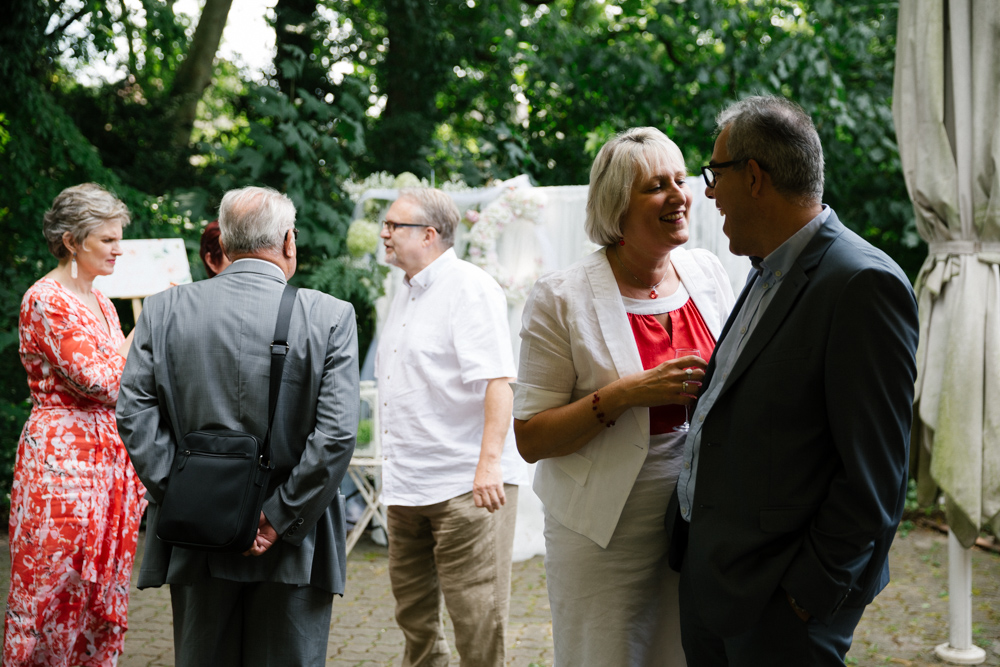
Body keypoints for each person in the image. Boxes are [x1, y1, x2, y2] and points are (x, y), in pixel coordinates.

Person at [666, 95, 919, 665]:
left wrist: (808, 596)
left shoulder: (861, 284)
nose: (707, 193)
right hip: (716, 586)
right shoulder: (763, 269)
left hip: (782, 611)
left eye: (715, 175)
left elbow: (876, 479)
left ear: (754, 177)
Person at [512, 127, 736, 666]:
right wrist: (625, 394)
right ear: (616, 204)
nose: (680, 195)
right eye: (656, 186)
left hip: (696, 516)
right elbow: (530, 437)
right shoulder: (561, 297)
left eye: (681, 179)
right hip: (601, 528)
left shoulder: (705, 272)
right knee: (607, 653)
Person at [116, 186, 359, 666]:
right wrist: (277, 516)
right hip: (295, 543)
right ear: (289, 242)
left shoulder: (163, 311)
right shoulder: (330, 316)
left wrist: (193, 500)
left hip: (196, 537)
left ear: (223, 243)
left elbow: (133, 412)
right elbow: (336, 435)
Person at [375, 187, 527, 667]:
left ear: (429, 234)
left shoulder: (469, 287)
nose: (383, 233)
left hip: (465, 487)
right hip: (406, 488)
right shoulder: (405, 290)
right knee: (415, 622)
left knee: (478, 622)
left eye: (392, 225)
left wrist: (488, 468)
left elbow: (498, 384)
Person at [4, 183, 146, 666]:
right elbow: (105, 381)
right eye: (106, 239)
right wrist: (146, 329)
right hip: (61, 464)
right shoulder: (46, 300)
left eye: (117, 237)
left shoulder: (102, 303)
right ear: (71, 241)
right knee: (52, 588)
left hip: (106, 461)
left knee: (97, 595)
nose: (118, 248)